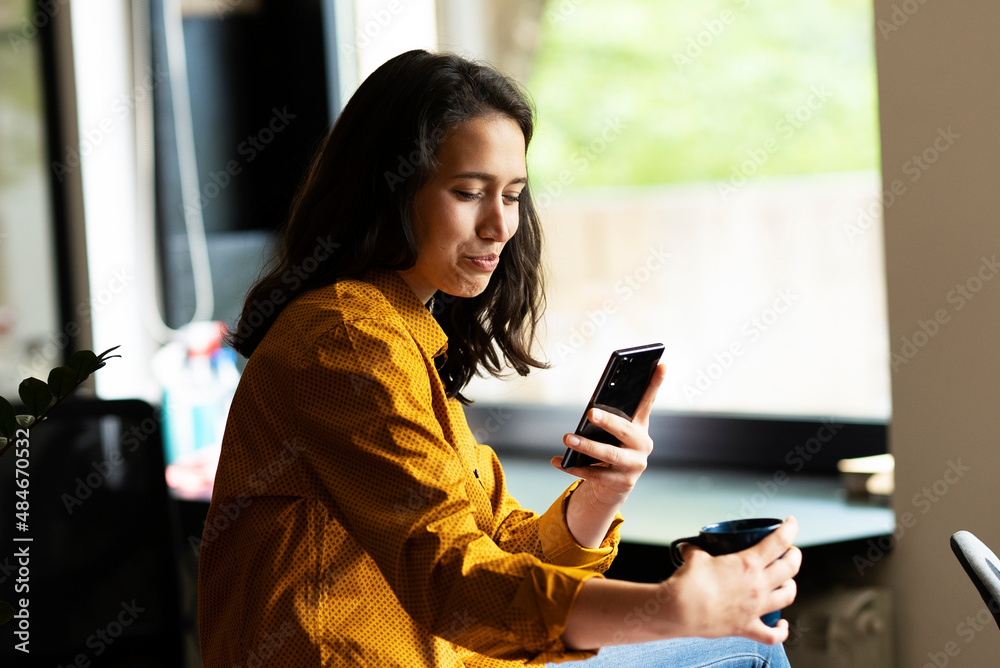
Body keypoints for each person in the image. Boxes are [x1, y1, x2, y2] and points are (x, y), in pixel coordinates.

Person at [197, 49, 801, 667]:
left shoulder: (400, 335)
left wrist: (602, 493)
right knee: (745, 651)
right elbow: (453, 580)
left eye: (512, 196)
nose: (499, 225)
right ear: (388, 191)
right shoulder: (346, 340)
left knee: (734, 642)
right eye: (468, 192)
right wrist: (665, 608)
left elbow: (502, 551)